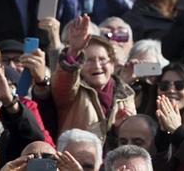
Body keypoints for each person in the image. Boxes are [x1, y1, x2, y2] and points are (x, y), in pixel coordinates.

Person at [51, 15, 136, 143]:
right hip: (73, 159)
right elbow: (64, 79)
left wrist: (118, 129)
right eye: (89, 60)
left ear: (112, 64)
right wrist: (74, 51)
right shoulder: (71, 92)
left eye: (102, 60)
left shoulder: (126, 95)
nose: (97, 66)